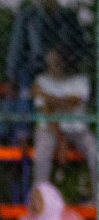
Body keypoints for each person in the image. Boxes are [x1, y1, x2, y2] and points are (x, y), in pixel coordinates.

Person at [30, 46, 99, 197]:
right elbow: (46, 111)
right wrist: (61, 137)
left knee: (95, 151)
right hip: (50, 128)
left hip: (78, 129)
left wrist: (47, 97)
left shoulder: (81, 80)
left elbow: (72, 104)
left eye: (58, 61)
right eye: (52, 62)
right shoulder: (42, 80)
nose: (55, 65)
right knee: (41, 153)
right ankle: (41, 201)